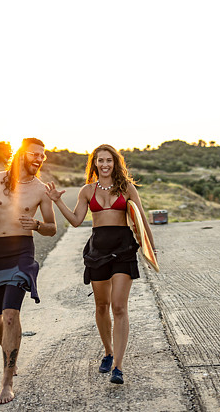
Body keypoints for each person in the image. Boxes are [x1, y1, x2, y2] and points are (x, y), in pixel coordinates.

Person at [45, 144, 157, 385]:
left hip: (123, 248)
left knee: (119, 307)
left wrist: (150, 248)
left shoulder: (126, 188)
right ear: (94, 164)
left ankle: (118, 365)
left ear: (115, 163)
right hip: (98, 249)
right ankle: (107, 351)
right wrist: (57, 202)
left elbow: (140, 218)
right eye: (100, 160)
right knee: (101, 306)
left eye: (109, 160)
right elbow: (76, 221)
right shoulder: (87, 191)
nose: (105, 164)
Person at [0, 137, 57, 405]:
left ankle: (7, 381)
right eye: (35, 154)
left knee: (10, 315)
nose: (40, 159)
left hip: (21, 252)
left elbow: (52, 228)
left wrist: (37, 224)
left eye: (43, 155)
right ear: (21, 154)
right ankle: (9, 350)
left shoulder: (40, 189)